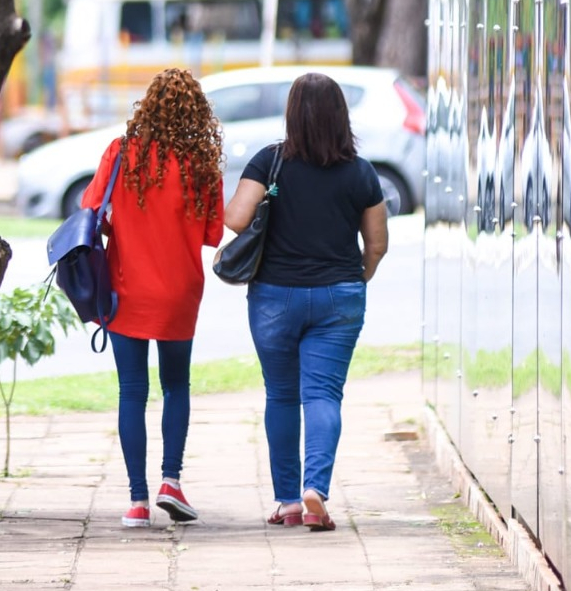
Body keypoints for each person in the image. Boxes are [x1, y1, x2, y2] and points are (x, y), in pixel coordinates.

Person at [225, 72, 389, 531]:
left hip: (274, 297)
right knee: (323, 394)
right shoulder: (361, 172)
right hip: (340, 296)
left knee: (281, 394)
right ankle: (315, 488)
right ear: (340, 115)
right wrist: (355, 280)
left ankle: (288, 502)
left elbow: (236, 220)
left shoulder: (270, 162)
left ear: (292, 113)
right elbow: (377, 244)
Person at [79, 68, 225, 528]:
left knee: (132, 390)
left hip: (126, 289)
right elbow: (212, 234)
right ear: (198, 114)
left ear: (147, 106)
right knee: (176, 386)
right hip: (180, 291)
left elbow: (90, 211)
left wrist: (125, 222)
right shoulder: (202, 164)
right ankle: (171, 481)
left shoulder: (121, 152)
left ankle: (138, 502)